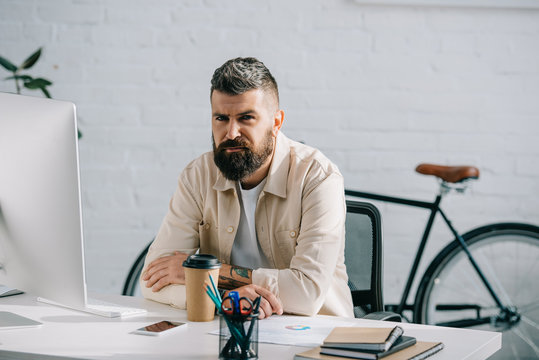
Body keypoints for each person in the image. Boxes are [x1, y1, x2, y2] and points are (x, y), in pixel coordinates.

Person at [140, 57, 353, 319]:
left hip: (312, 338)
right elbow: (152, 280)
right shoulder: (197, 176)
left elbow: (306, 293)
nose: (231, 132)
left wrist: (208, 276)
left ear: (276, 122)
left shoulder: (318, 177)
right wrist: (226, 299)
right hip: (229, 329)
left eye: (246, 118)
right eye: (221, 118)